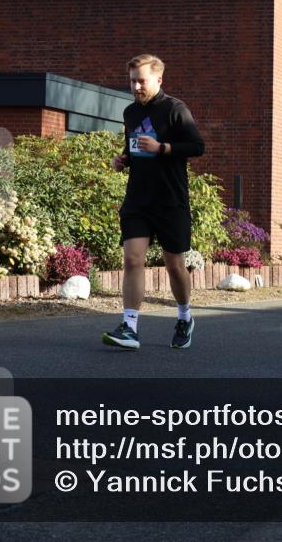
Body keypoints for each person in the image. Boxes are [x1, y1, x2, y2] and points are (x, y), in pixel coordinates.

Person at [102, 54, 205, 350]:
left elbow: (197, 146)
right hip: (138, 199)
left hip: (170, 200)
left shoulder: (175, 109)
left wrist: (163, 147)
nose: (136, 87)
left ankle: (184, 317)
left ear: (158, 79)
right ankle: (129, 327)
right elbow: (133, 148)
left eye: (141, 81)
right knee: (133, 259)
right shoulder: (130, 112)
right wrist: (123, 160)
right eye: (132, 81)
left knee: (175, 265)